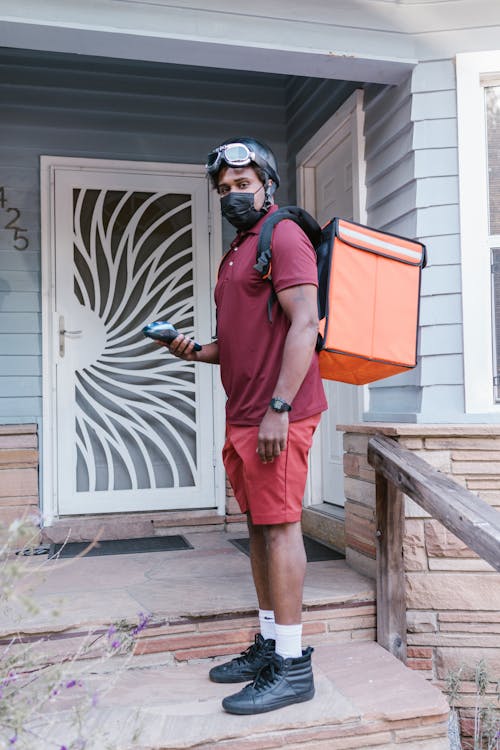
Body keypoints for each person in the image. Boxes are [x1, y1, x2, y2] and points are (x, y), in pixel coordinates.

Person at [165, 137, 327, 715]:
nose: (233, 196)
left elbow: (305, 323)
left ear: (268, 185)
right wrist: (195, 350)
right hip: (245, 411)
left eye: (243, 185)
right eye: (224, 190)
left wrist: (280, 409)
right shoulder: (239, 250)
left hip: (277, 412)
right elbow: (239, 339)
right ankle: (268, 643)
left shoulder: (284, 235)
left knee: (281, 528)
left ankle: (291, 665)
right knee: (259, 528)